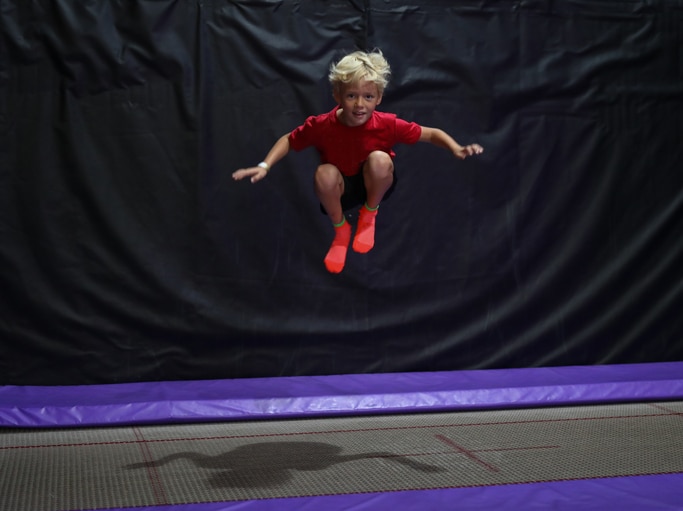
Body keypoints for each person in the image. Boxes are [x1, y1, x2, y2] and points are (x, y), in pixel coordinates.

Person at [233, 49, 483, 274]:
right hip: (340, 189)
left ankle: (368, 215)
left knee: (379, 159)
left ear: (379, 98)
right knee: (324, 173)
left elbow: (429, 133)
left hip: (374, 182)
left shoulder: (386, 124)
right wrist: (265, 165)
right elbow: (289, 139)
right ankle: (341, 231)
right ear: (337, 95)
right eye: (351, 95)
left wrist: (456, 147)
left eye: (368, 96)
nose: (360, 104)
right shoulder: (322, 125)